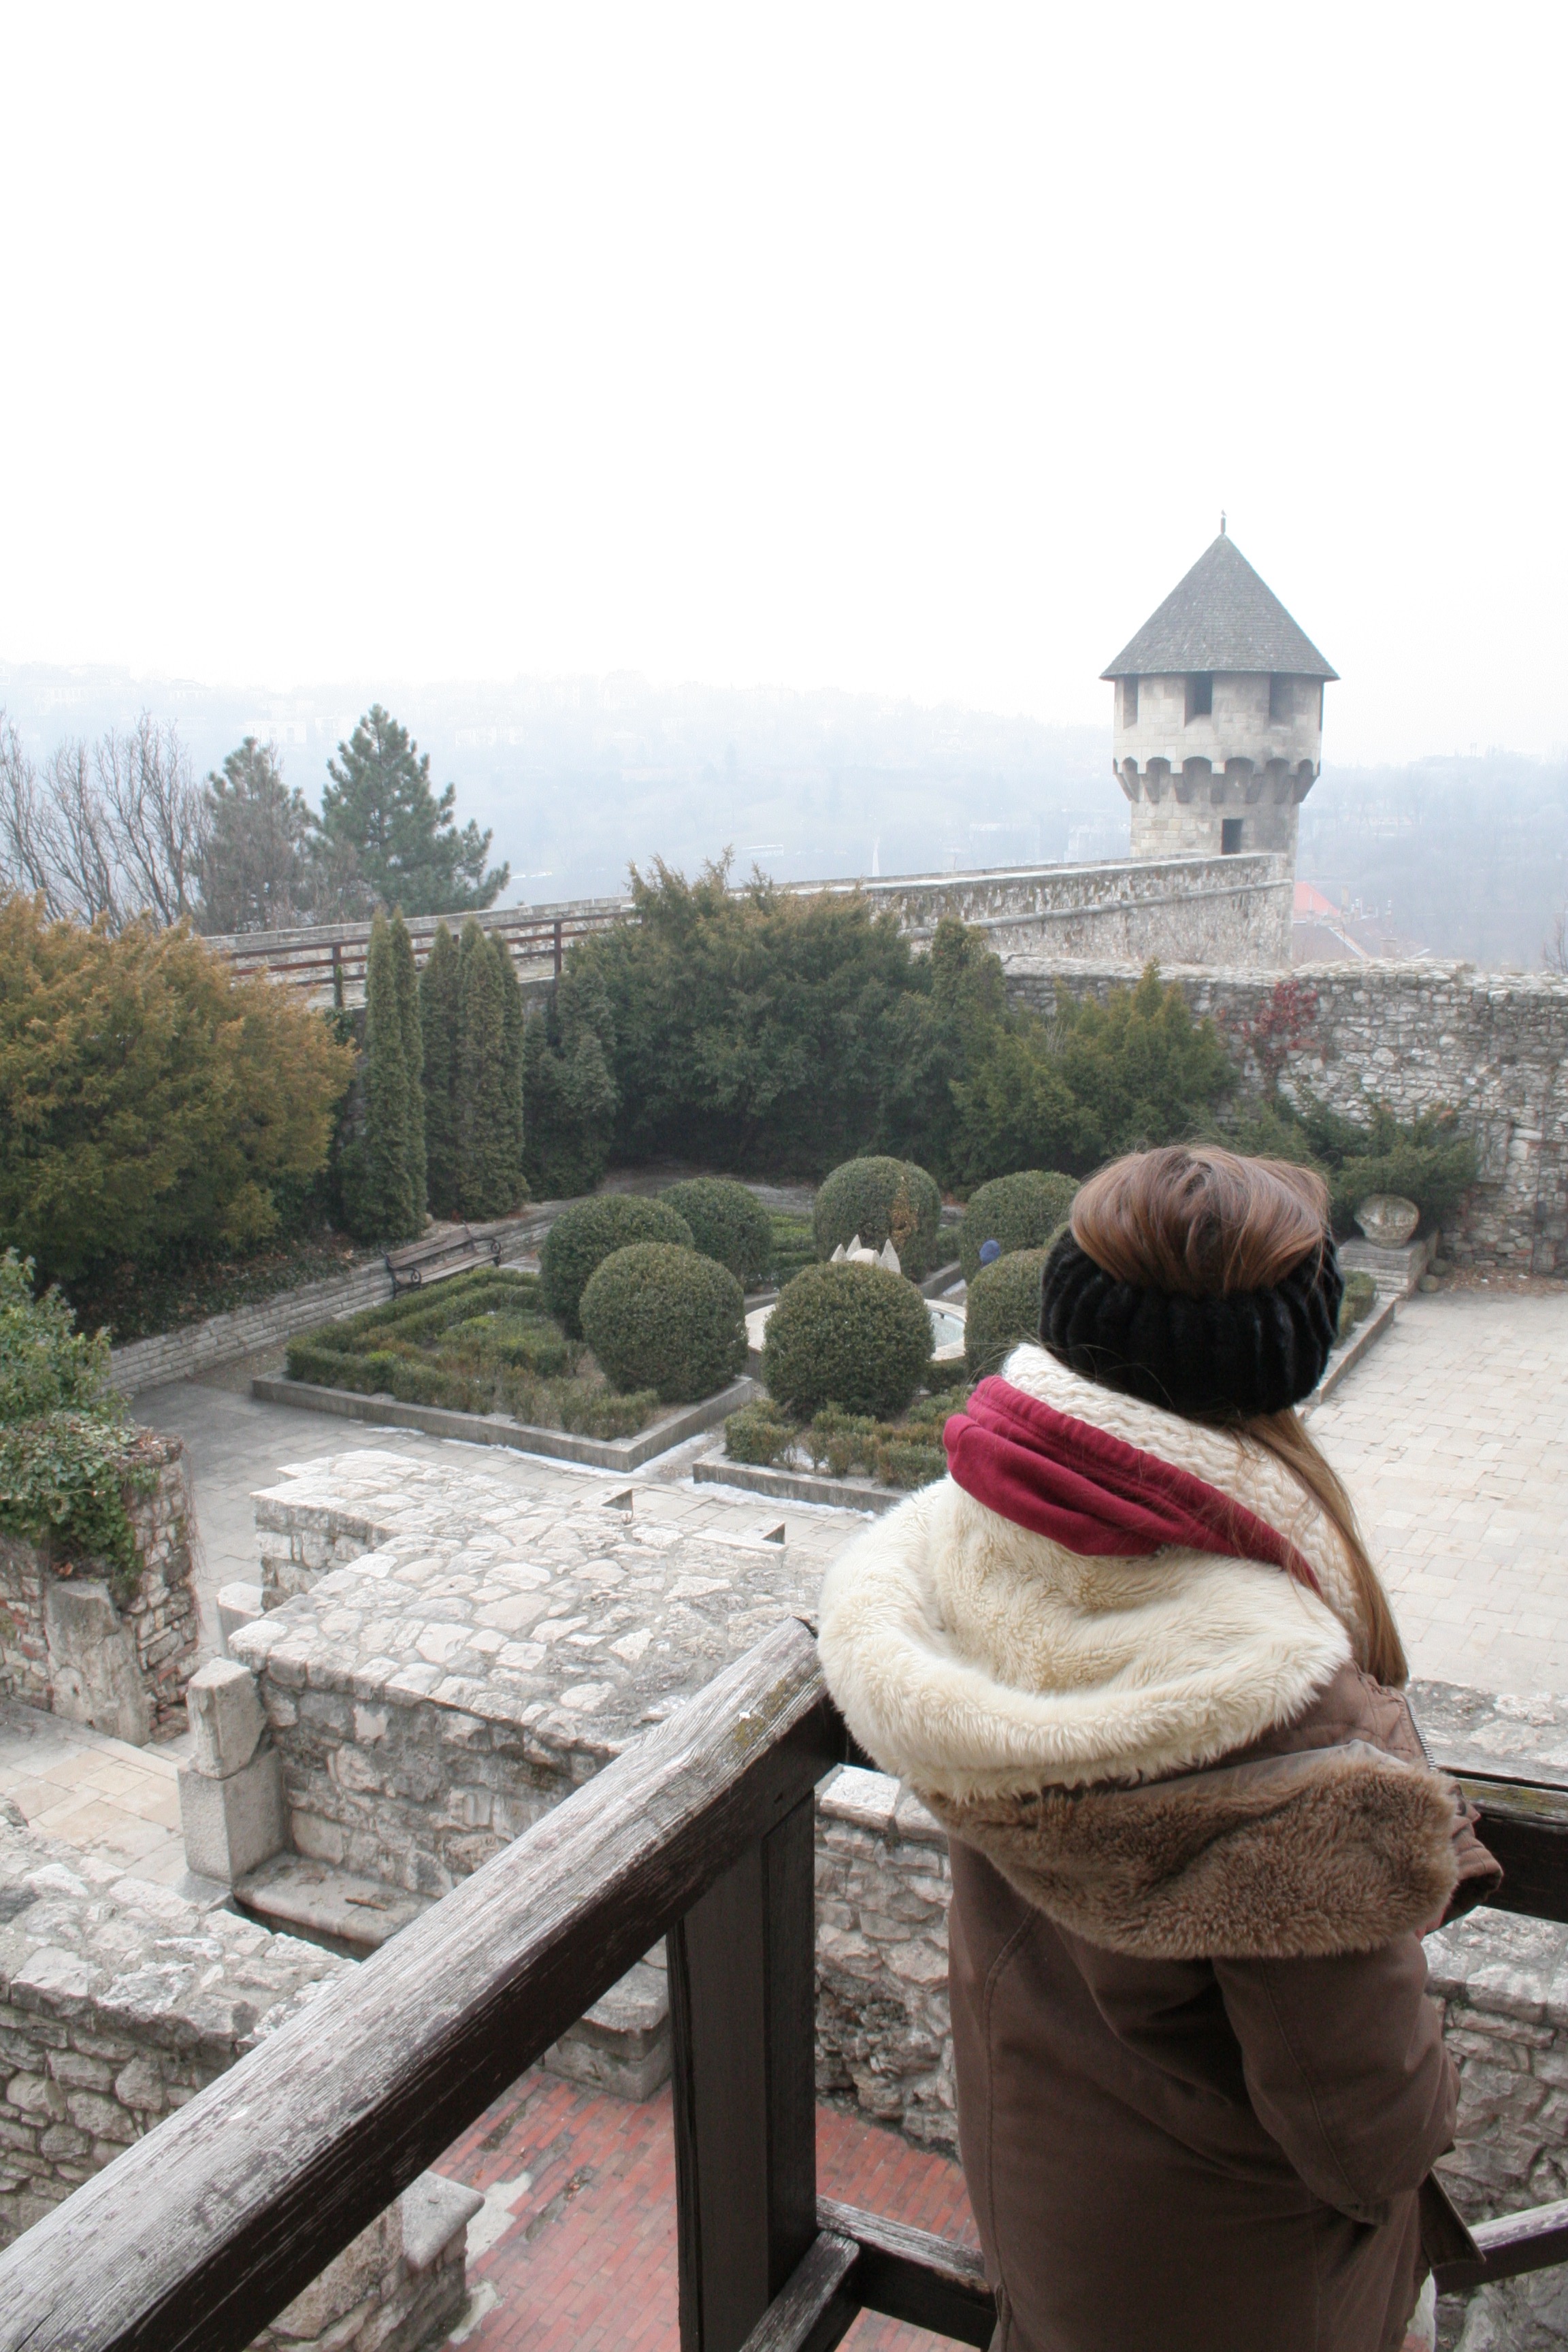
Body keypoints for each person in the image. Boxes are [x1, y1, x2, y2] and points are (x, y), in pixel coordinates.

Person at [817, 1147, 1499, 2352]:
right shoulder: (1279, 1718)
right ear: (1291, 1355)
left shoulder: (969, 1557)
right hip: (1234, 2283)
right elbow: (1370, 2127)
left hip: (1050, 2206)